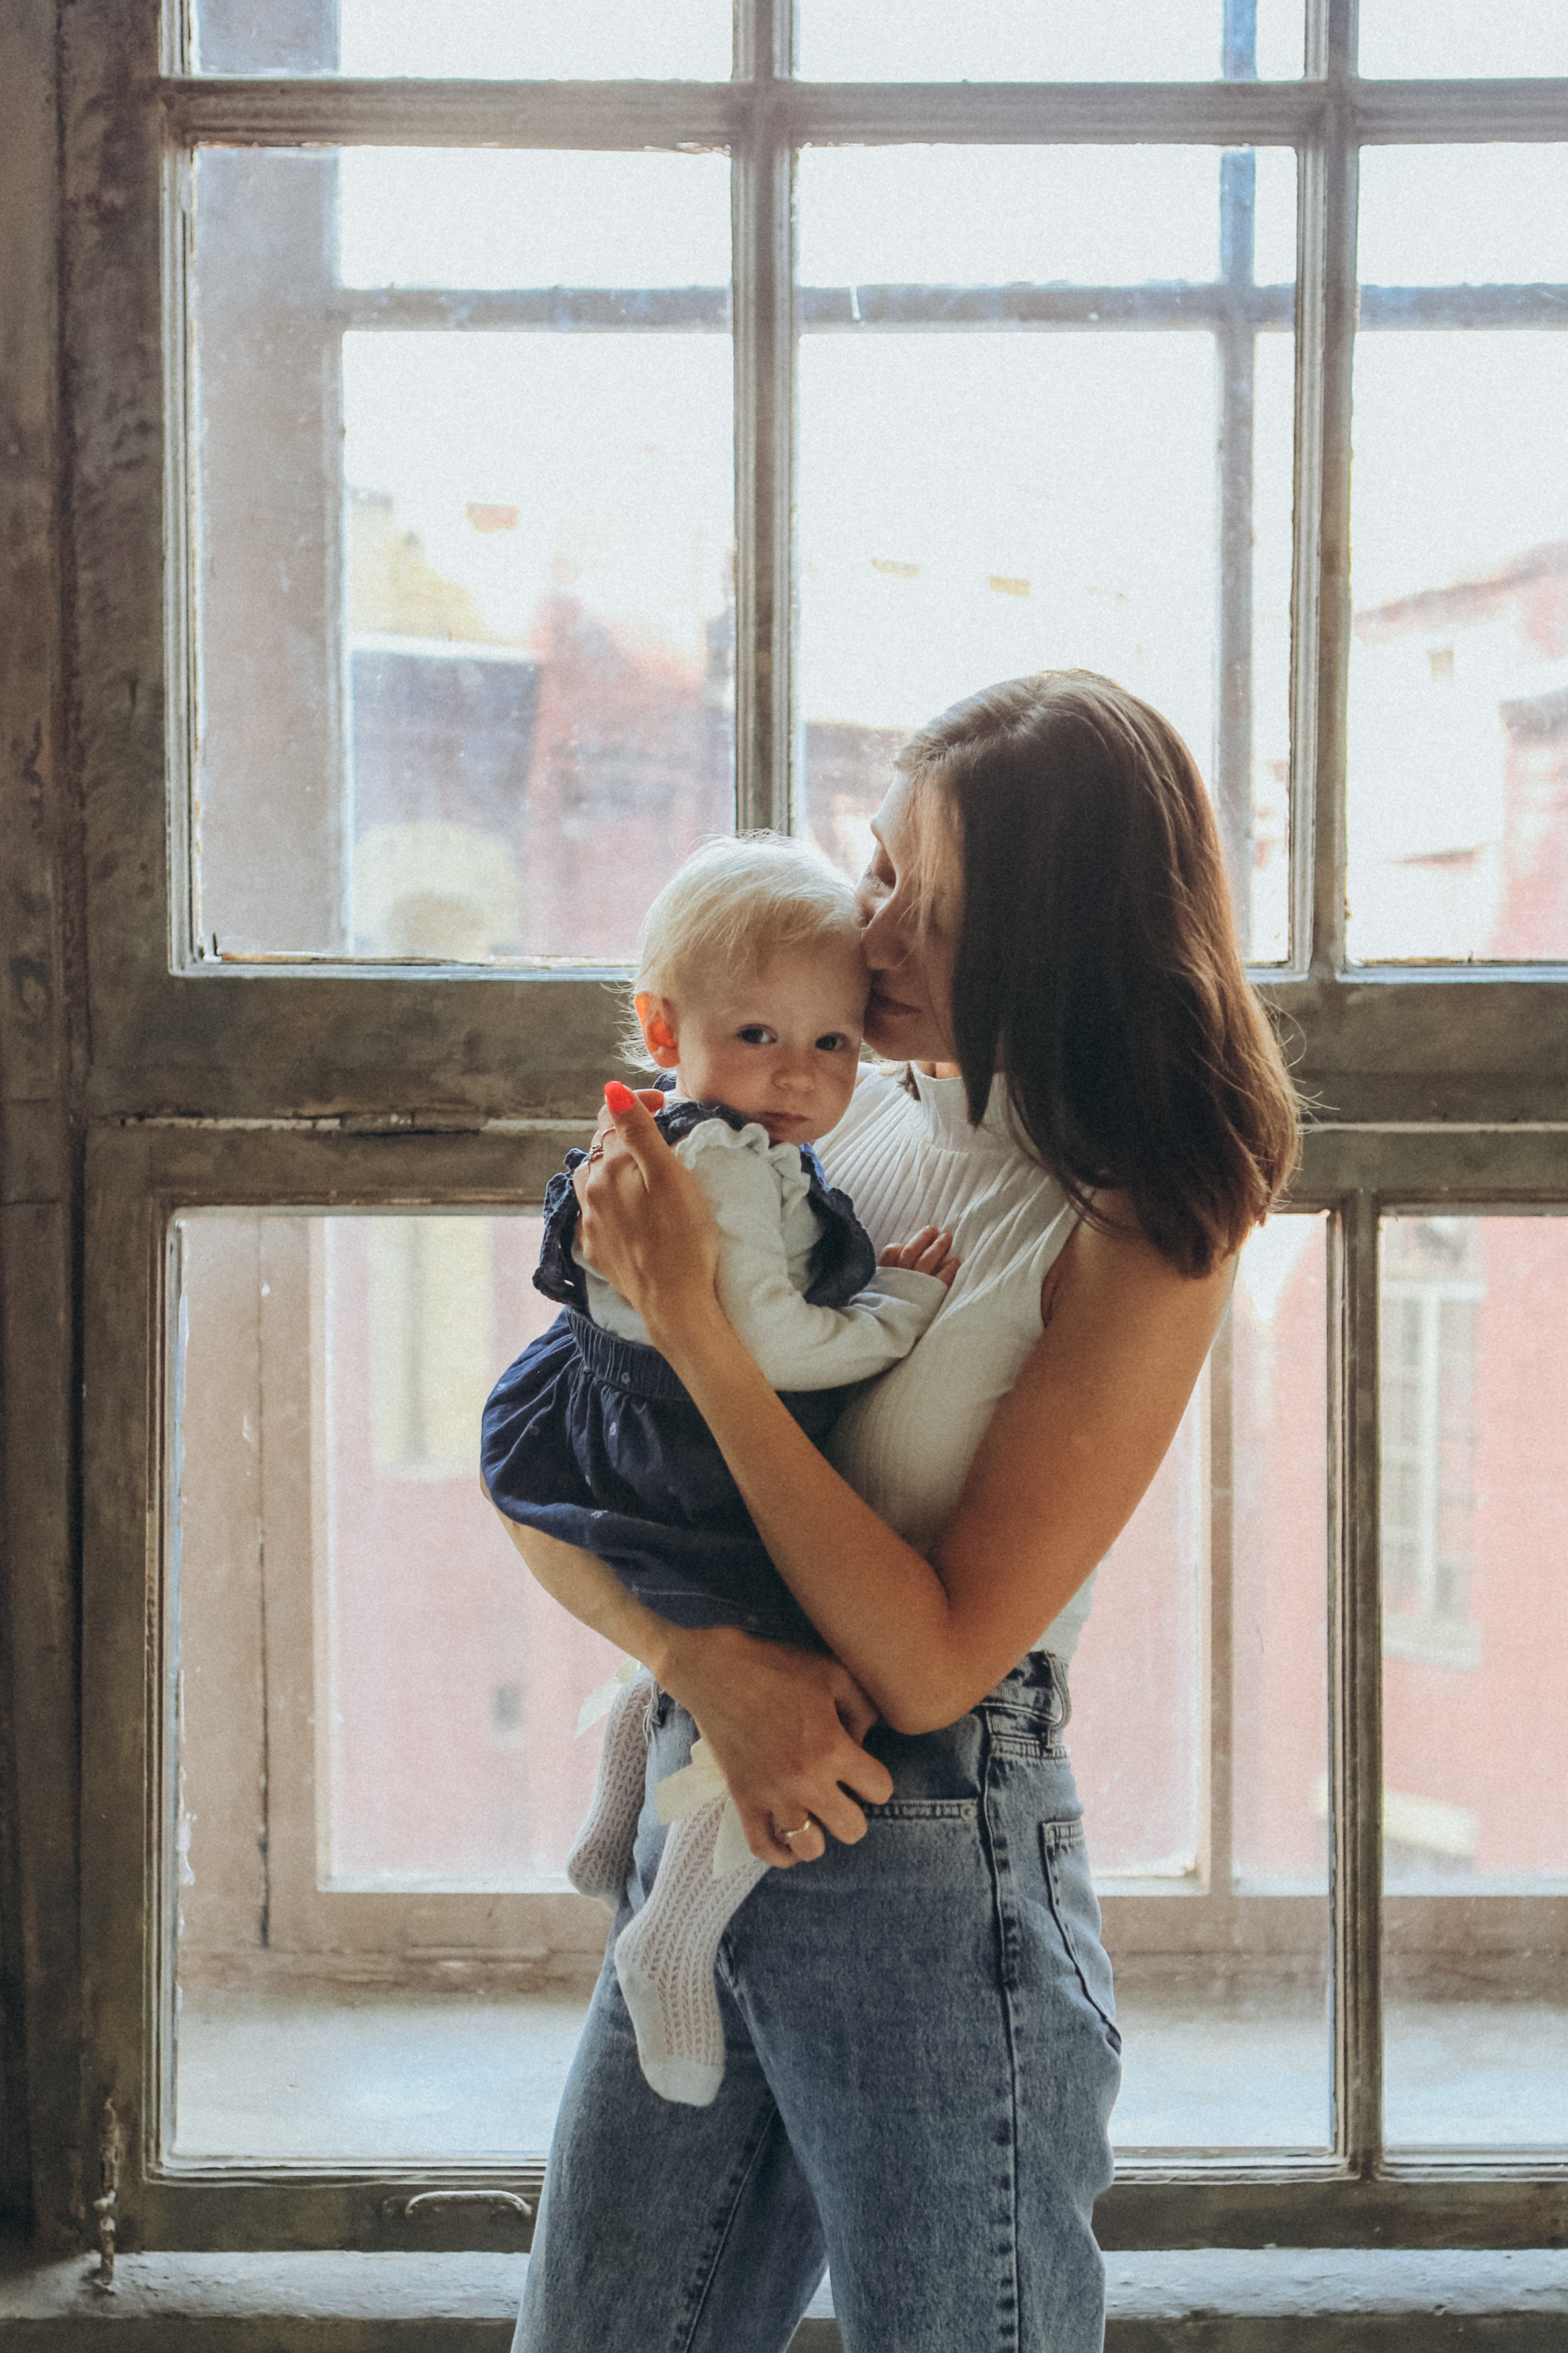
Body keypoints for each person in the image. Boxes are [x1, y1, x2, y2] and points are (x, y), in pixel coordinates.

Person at [491, 670, 1299, 2353]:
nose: (868, 932)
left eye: (926, 909)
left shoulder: (1142, 1226)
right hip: (713, 1801)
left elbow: (934, 1664)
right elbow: (551, 1465)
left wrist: (706, 1339)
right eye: (876, 868)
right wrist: (696, 1661)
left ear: (1050, 941)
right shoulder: (826, 1117)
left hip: (933, 1857)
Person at [482, 834, 958, 2105]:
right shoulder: (718, 1171)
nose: (798, 1077)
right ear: (660, 1025)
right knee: (775, 1641)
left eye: (833, 1044)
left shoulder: (733, 1144)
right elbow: (777, 1349)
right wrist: (901, 1302)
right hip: (685, 1449)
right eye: (756, 1035)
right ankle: (670, 1933)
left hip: (629, 1422)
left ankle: (610, 1829)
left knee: (701, 1647)